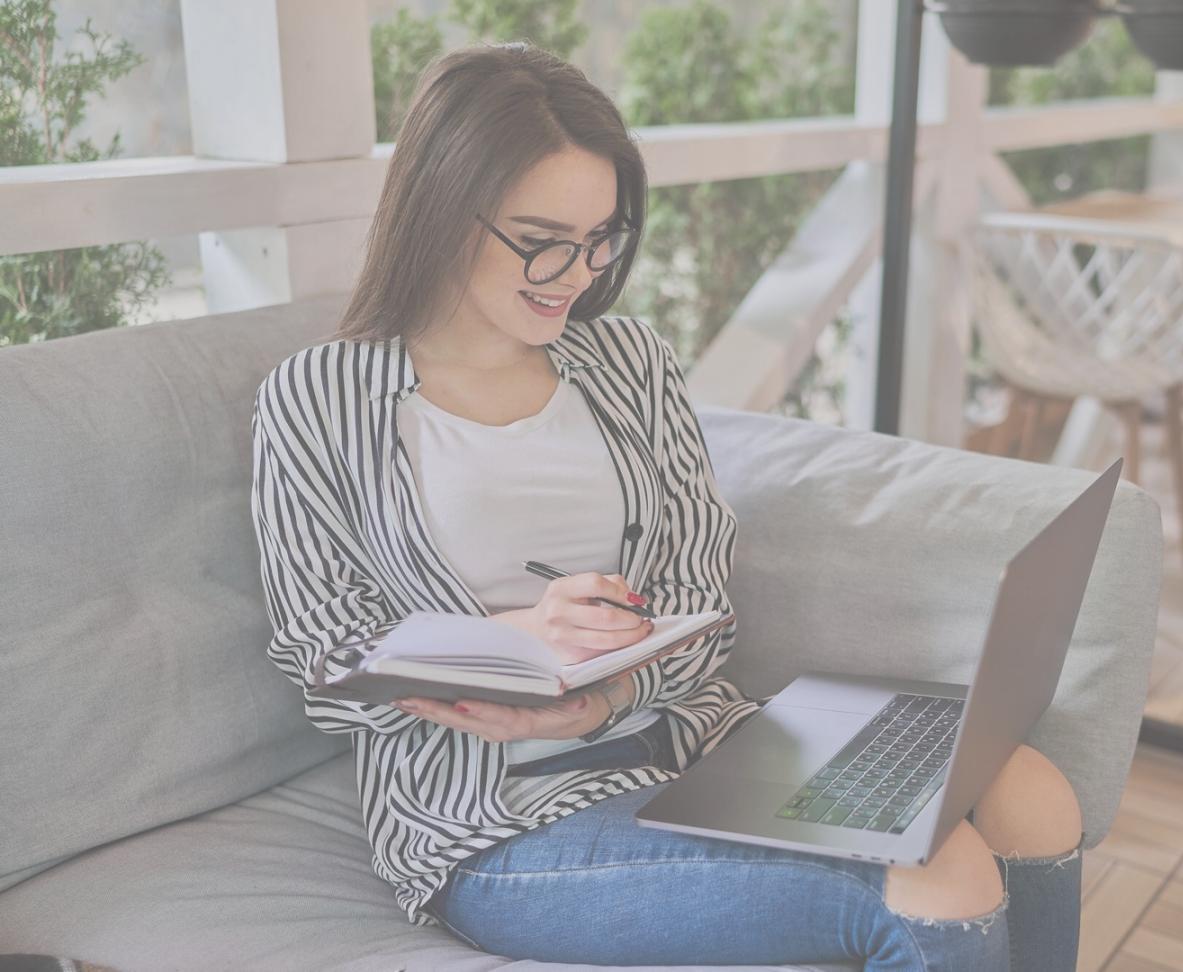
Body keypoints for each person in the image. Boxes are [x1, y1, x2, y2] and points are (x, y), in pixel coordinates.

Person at [248, 40, 1084, 971]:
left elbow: (699, 601)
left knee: (1029, 789)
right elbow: (325, 664)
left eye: (600, 238)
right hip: (498, 820)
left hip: (701, 741)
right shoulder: (319, 396)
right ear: (444, 208)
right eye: (542, 240)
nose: (577, 273)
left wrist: (602, 697)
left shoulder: (629, 361)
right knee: (935, 875)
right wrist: (519, 642)